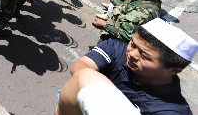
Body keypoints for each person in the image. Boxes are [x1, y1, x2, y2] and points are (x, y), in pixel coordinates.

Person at [59, 18, 197, 115]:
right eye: (133, 44)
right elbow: (80, 67)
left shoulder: (172, 110)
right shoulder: (116, 48)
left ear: (174, 70)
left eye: (145, 55)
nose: (132, 54)